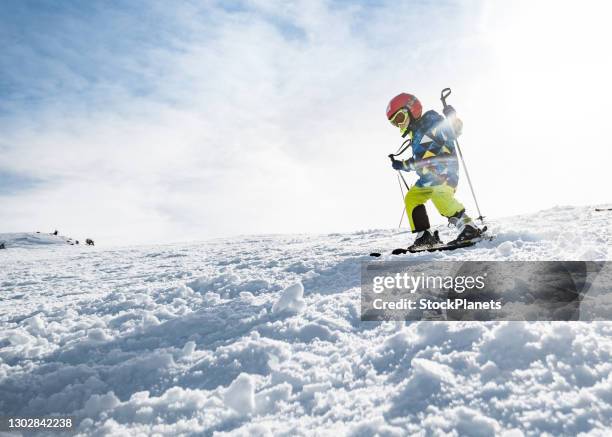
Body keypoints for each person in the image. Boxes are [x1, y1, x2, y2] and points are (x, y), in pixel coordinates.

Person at [386, 92, 481, 249]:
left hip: (444, 174)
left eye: (400, 119)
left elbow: (452, 131)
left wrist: (452, 118)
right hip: (427, 179)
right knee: (412, 198)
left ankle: (469, 228)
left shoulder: (432, 123)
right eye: (395, 123)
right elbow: (419, 161)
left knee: (439, 194)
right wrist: (401, 165)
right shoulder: (415, 135)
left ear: (412, 109)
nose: (399, 125)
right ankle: (425, 236)